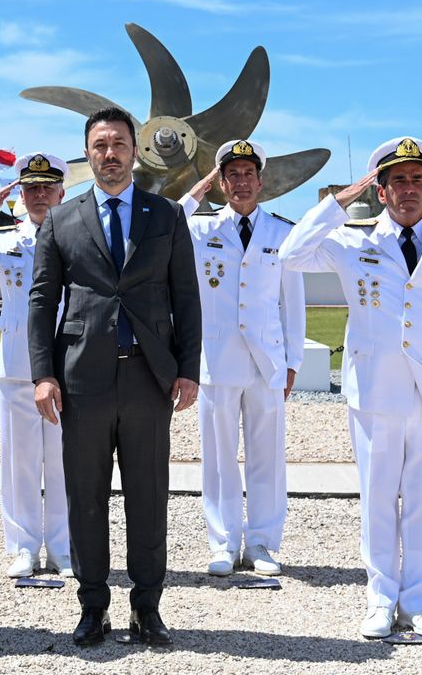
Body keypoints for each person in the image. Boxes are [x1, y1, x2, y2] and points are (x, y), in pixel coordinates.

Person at [278, 136, 422, 640]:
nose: (410, 190)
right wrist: (338, 201)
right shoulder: (354, 240)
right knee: (378, 500)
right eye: (398, 181)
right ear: (381, 191)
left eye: (418, 181)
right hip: (375, 390)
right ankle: (379, 598)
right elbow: (289, 255)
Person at [28, 106, 202, 647]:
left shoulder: (166, 215)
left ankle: (147, 608)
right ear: (89, 153)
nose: (110, 154)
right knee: (85, 496)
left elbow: (186, 297)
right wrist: (43, 374)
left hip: (149, 378)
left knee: (148, 496)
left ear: (135, 150)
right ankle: (92, 606)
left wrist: (189, 369)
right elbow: (42, 301)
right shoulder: (61, 218)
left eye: (119, 144)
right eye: (100, 145)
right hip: (83, 381)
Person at [178, 140, 305, 577]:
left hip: (267, 360)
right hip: (217, 357)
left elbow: (294, 300)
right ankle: (223, 542)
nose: (242, 182)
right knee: (218, 456)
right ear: (221, 183)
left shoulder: (282, 232)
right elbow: (166, 222)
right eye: (232, 175)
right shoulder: (200, 229)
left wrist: (293, 361)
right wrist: (197, 191)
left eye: (249, 174)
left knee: (267, 456)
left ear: (261, 181)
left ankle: (263, 543)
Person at [0, 152, 71, 579]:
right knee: (20, 462)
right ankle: (24, 547)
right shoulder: (4, 239)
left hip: (66, 363)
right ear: (19, 194)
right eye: (30, 188)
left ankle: (62, 546)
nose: (39, 195)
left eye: (47, 187)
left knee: (63, 461)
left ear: (62, 191)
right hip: (19, 362)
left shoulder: (76, 236)